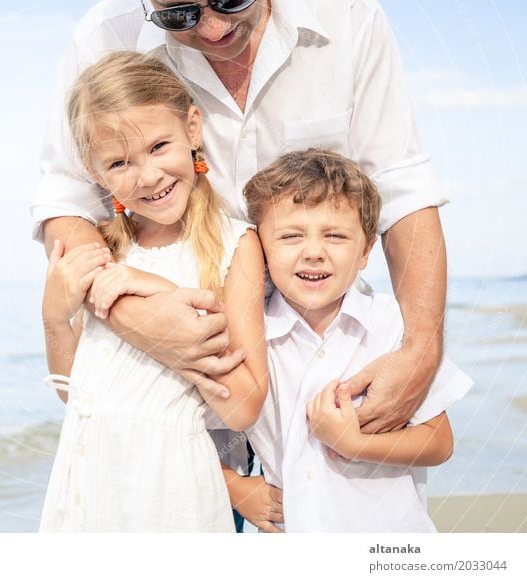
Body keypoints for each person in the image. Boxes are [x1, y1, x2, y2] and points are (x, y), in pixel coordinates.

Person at [32, 0, 449, 531]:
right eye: (177, 15)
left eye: (230, 0)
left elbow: (402, 184)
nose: (211, 28)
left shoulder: (350, 17)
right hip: (149, 467)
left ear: (191, 129)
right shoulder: (102, 34)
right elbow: (65, 197)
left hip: (304, 354)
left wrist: (421, 345)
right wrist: (134, 316)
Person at [39, 51, 267, 532]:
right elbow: (77, 395)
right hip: (87, 481)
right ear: (94, 171)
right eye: (120, 162)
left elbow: (245, 406)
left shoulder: (235, 246)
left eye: (159, 146)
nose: (147, 176)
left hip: (171, 488)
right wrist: (54, 320)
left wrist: (157, 289)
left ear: (192, 128)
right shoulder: (101, 253)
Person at [231, 149, 472, 531]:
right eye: (291, 236)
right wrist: (234, 487)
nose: (313, 252)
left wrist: (354, 443)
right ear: (260, 247)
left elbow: (439, 442)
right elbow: (191, 429)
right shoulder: (248, 333)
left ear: (365, 251)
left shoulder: (394, 325)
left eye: (335, 236)